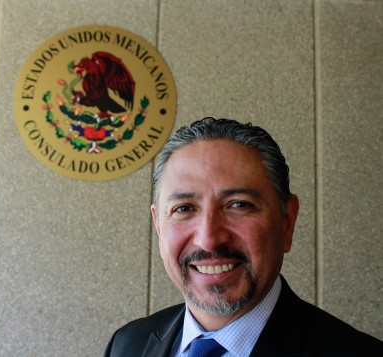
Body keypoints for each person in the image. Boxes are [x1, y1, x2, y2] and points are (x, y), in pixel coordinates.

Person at [104, 117, 383, 356]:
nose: (209, 239)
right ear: (159, 226)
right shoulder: (127, 345)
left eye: (239, 205)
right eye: (184, 208)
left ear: (286, 222)